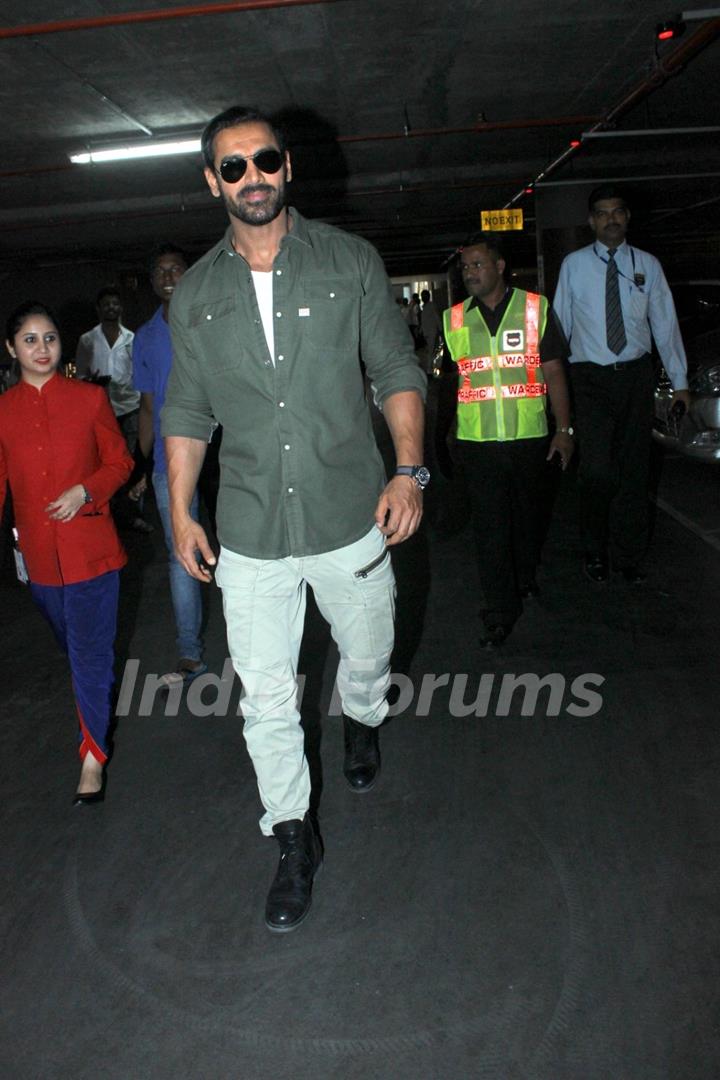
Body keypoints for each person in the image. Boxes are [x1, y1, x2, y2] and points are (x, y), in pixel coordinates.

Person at [162, 104, 427, 933]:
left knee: (369, 654)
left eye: (265, 161)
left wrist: (410, 469)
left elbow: (394, 367)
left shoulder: (349, 262)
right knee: (266, 699)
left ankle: (362, 718)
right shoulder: (197, 294)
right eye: (232, 168)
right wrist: (180, 512)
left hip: (351, 514)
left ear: (288, 167)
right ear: (212, 182)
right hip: (249, 533)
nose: (252, 178)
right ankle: (290, 835)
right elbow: (186, 414)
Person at [0, 302, 133, 803]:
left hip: (92, 551)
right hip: (38, 560)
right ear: (12, 349)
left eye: (50, 337)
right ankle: (95, 700)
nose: (42, 348)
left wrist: (86, 490)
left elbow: (120, 462)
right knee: (75, 647)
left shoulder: (88, 400)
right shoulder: (3, 411)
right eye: (30, 340)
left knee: (90, 654)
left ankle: (92, 758)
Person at [553, 184, 690, 583]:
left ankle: (628, 555)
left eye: (618, 212)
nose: (611, 219)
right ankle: (594, 549)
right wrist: (552, 387)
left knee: (634, 470)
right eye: (603, 213)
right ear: (592, 221)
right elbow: (558, 327)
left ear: (627, 217)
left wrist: (679, 381)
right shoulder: (573, 266)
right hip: (589, 379)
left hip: (635, 377)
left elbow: (665, 325)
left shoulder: (648, 265)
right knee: (597, 471)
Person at [443, 233, 574, 646]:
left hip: (529, 438)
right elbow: (450, 383)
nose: (469, 273)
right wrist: (439, 438)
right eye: (465, 268)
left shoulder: (535, 309)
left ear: (500, 267)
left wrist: (564, 431)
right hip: (478, 443)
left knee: (529, 521)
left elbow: (554, 372)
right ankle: (500, 610)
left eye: (477, 265)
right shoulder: (455, 319)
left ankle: (525, 573)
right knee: (490, 529)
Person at [132, 244, 207, 688]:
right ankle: (190, 653)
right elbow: (146, 407)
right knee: (182, 558)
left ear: (188, 273)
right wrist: (140, 465)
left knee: (239, 550)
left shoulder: (207, 322)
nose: (167, 275)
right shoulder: (145, 337)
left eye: (174, 268)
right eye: (159, 270)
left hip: (222, 455)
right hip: (168, 463)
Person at [75, 287, 152, 534]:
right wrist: (92, 380)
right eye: (106, 304)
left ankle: (133, 514)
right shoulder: (87, 340)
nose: (111, 308)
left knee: (132, 461)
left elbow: (141, 373)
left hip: (130, 407)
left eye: (115, 304)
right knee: (106, 464)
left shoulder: (132, 338)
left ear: (121, 308)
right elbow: (80, 376)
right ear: (99, 309)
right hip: (101, 411)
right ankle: (111, 514)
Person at [419, 288, 443, 372]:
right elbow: (436, 317)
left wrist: (421, 330)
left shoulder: (426, 307)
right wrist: (440, 328)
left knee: (430, 350)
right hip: (431, 331)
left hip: (428, 331)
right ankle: (430, 368)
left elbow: (425, 320)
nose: (422, 298)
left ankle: (430, 367)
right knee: (431, 350)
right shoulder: (430, 306)